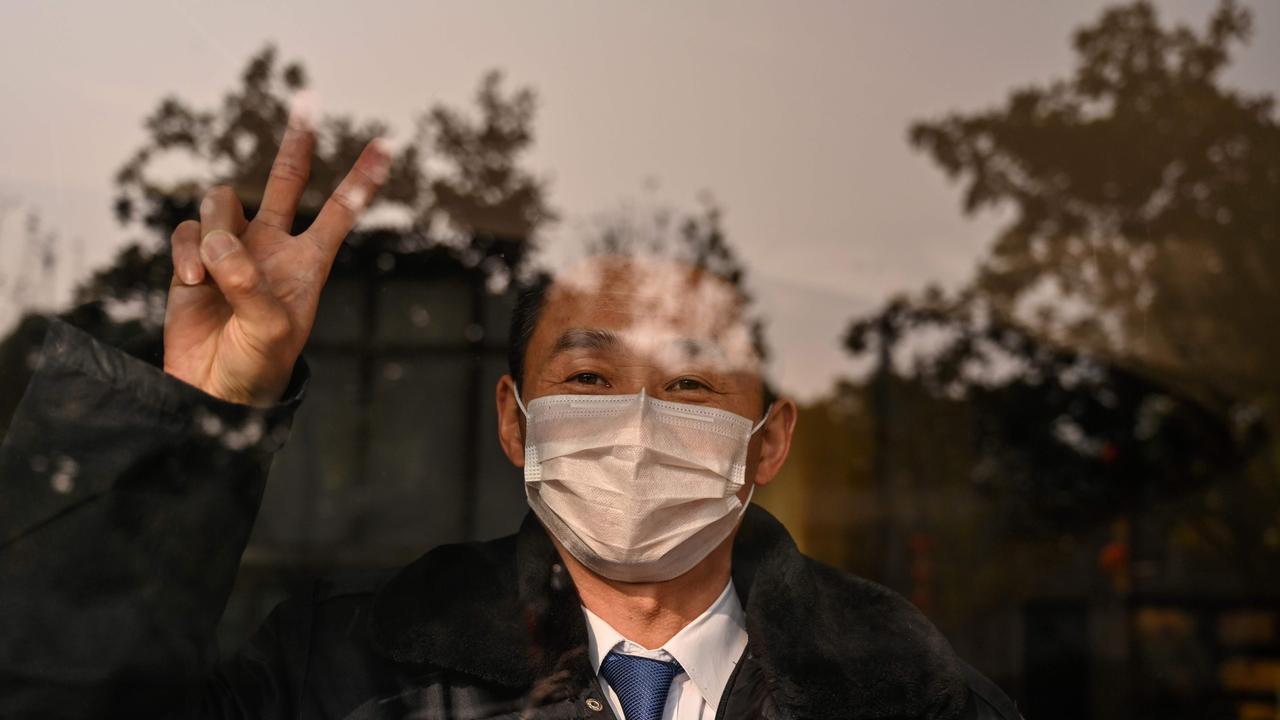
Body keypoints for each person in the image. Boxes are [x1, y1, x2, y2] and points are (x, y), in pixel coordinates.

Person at [0, 112, 1020, 720]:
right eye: (584, 379)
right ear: (514, 421)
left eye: (692, 385)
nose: (635, 420)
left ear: (771, 442)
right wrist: (197, 417)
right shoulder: (343, 669)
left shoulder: (904, 691)